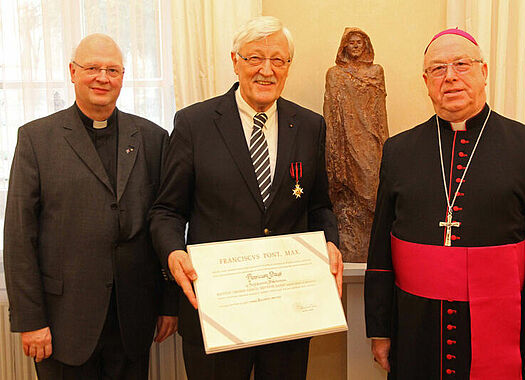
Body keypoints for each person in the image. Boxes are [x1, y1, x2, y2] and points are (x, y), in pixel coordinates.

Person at [364, 28, 525, 380]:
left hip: (501, 325)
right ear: (426, 81)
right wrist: (380, 328)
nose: (451, 77)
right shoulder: (398, 151)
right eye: (439, 69)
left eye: (462, 64)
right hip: (416, 328)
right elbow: (381, 248)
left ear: (484, 72)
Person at [149, 16, 342, 380]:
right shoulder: (195, 124)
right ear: (235, 61)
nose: (266, 70)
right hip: (217, 311)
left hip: (288, 313)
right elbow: (166, 210)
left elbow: (319, 207)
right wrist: (173, 251)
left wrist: (330, 241)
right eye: (254, 58)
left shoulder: (310, 125)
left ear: (288, 67)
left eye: (277, 60)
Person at [3, 33, 178, 379]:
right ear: (72, 71)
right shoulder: (36, 140)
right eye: (92, 68)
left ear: (123, 77)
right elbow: (19, 237)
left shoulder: (153, 139)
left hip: (132, 323)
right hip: (62, 324)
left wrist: (168, 303)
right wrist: (31, 320)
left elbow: (166, 223)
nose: (103, 77)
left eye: (112, 69)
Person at [324, 27, 389, 262]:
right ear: (344, 46)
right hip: (344, 139)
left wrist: (385, 145)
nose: (355, 46)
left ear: (366, 45)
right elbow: (331, 112)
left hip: (370, 139)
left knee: (372, 187)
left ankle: (372, 243)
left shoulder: (376, 72)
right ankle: (350, 241)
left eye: (359, 42)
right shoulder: (335, 74)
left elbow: (380, 113)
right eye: (351, 42)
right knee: (346, 192)